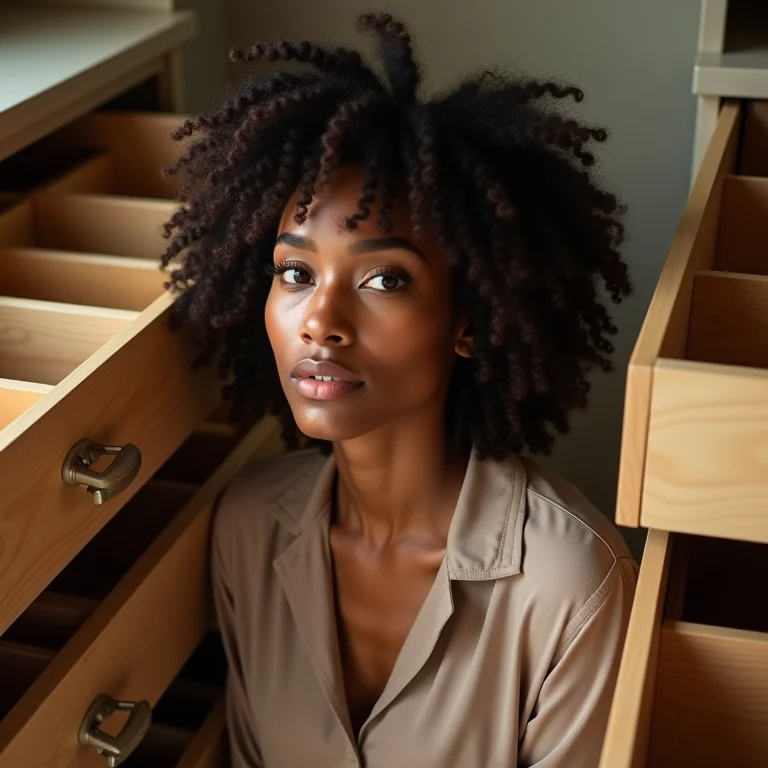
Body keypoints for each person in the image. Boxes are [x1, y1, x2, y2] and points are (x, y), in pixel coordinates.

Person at [161, 11, 638, 767]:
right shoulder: (247, 527)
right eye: (295, 272)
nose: (320, 321)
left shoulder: (571, 584)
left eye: (385, 278)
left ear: (470, 321)